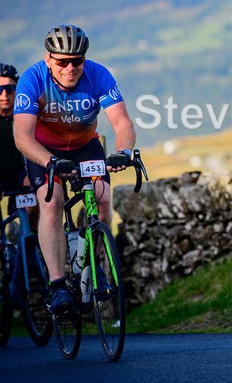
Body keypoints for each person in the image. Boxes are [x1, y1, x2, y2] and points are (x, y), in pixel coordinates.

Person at [13, 24, 137, 316]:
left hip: (85, 146)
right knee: (52, 202)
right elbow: (22, 136)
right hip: (44, 150)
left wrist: (123, 152)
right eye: (62, 61)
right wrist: (50, 162)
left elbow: (122, 123)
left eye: (77, 60)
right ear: (48, 59)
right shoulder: (33, 79)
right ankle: (58, 286)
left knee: (102, 198)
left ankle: (94, 267)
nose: (70, 68)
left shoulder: (98, 74)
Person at [0, 63, 29, 207]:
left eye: (10, 88)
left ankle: (30, 223)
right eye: (0, 89)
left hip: (19, 174)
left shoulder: (27, 115)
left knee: (36, 189)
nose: (4, 94)